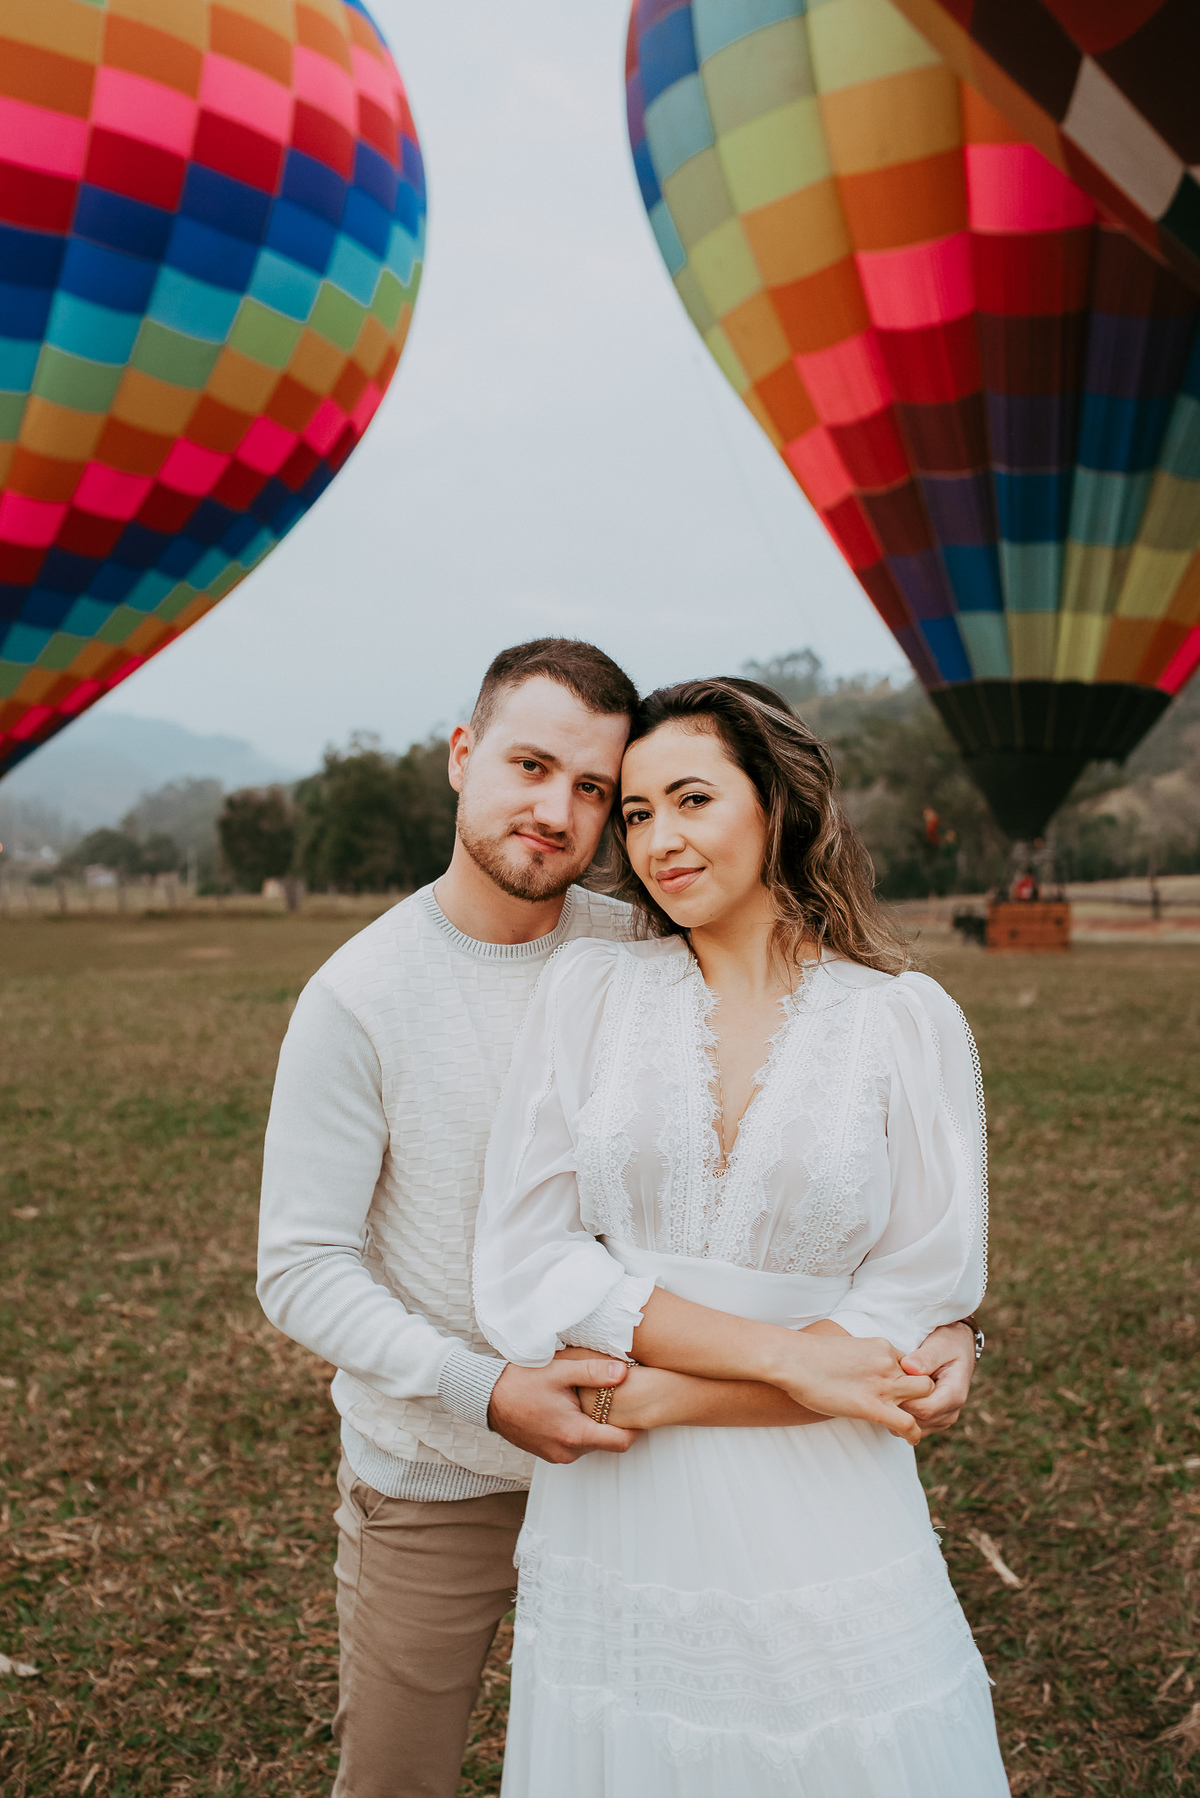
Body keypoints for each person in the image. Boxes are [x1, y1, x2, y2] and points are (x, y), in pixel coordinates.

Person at [257, 640, 981, 1798]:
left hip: (667, 1449)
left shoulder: (639, 944)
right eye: (533, 766)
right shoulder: (362, 993)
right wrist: (482, 1385)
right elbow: (300, 1267)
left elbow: (850, 1213)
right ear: (462, 755)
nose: (565, 812)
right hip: (444, 1461)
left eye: (599, 790)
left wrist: (945, 1331)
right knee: (402, 1778)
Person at [474, 677, 1008, 1796]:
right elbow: (530, 1260)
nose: (658, 840)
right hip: (621, 1505)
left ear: (776, 803)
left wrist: (675, 1396)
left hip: (813, 1488)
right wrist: (782, 1356)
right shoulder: (591, 993)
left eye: (691, 799)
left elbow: (916, 1296)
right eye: (634, 812)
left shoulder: (905, 1022)